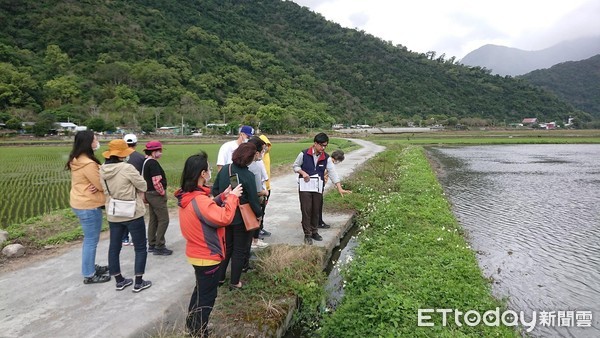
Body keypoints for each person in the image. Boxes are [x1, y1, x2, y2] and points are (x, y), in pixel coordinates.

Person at [175, 151, 242, 338]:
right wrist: (233, 197)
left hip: (196, 253)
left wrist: (222, 197)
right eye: (208, 169)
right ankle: (199, 332)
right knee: (207, 297)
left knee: (199, 291)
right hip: (207, 256)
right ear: (202, 174)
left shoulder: (187, 195)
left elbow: (205, 210)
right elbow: (224, 218)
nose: (210, 171)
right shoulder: (199, 200)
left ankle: (192, 324)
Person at [100, 139, 152, 292]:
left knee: (114, 247)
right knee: (141, 247)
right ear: (122, 154)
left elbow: (104, 190)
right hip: (132, 212)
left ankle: (119, 280)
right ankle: (138, 282)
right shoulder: (127, 168)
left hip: (114, 212)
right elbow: (143, 185)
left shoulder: (102, 169)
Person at [212, 143, 263, 289]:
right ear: (249, 158)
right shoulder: (248, 175)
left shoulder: (225, 169)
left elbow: (215, 189)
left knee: (226, 248)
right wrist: (259, 214)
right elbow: (253, 201)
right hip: (241, 218)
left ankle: (220, 279)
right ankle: (235, 282)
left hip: (224, 215)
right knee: (239, 250)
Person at [65, 130, 110, 284]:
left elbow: (95, 183)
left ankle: (90, 266)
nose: (97, 142)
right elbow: (100, 184)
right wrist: (98, 184)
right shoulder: (89, 163)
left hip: (79, 201)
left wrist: (95, 184)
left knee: (89, 240)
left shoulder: (76, 159)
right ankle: (89, 274)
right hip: (88, 204)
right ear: (88, 143)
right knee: (91, 240)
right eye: (95, 139)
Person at [293, 133, 351, 245]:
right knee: (306, 210)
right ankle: (307, 234)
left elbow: (333, 172)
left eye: (325, 146)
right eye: (321, 145)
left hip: (318, 186)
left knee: (316, 210)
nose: (323, 148)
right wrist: (302, 172)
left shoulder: (326, 157)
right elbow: (295, 166)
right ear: (315, 144)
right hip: (305, 186)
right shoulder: (304, 154)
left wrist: (339, 188)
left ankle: (314, 231)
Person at [142, 140, 172, 255]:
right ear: (154, 152)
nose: (160, 153)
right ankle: (160, 245)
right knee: (164, 219)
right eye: (159, 151)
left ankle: (152, 243)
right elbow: (156, 181)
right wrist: (162, 192)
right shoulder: (153, 163)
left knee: (153, 219)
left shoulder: (145, 162)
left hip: (148, 193)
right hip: (155, 194)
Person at [121, 133, 146, 246]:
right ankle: (135, 238)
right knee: (135, 214)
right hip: (136, 189)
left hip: (121, 189)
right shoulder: (141, 157)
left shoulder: (118, 157)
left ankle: (124, 238)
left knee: (123, 214)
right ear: (136, 143)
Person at [247, 136, 269, 250]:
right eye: (262, 150)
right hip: (254, 198)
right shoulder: (254, 165)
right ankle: (253, 241)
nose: (263, 153)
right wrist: (264, 193)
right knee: (255, 218)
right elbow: (256, 190)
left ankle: (254, 240)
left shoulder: (250, 162)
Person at [318, 149, 346, 229]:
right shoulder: (329, 161)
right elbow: (333, 174)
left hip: (317, 184)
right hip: (317, 185)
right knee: (318, 204)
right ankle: (318, 222)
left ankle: (316, 221)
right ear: (338, 159)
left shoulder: (327, 160)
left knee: (316, 204)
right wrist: (339, 188)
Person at [257, 134, 272, 239]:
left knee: (263, 210)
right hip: (260, 188)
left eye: (267, 145)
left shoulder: (266, 155)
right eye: (263, 145)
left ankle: (260, 228)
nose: (265, 147)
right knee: (258, 211)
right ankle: (256, 232)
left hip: (267, 187)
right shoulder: (258, 158)